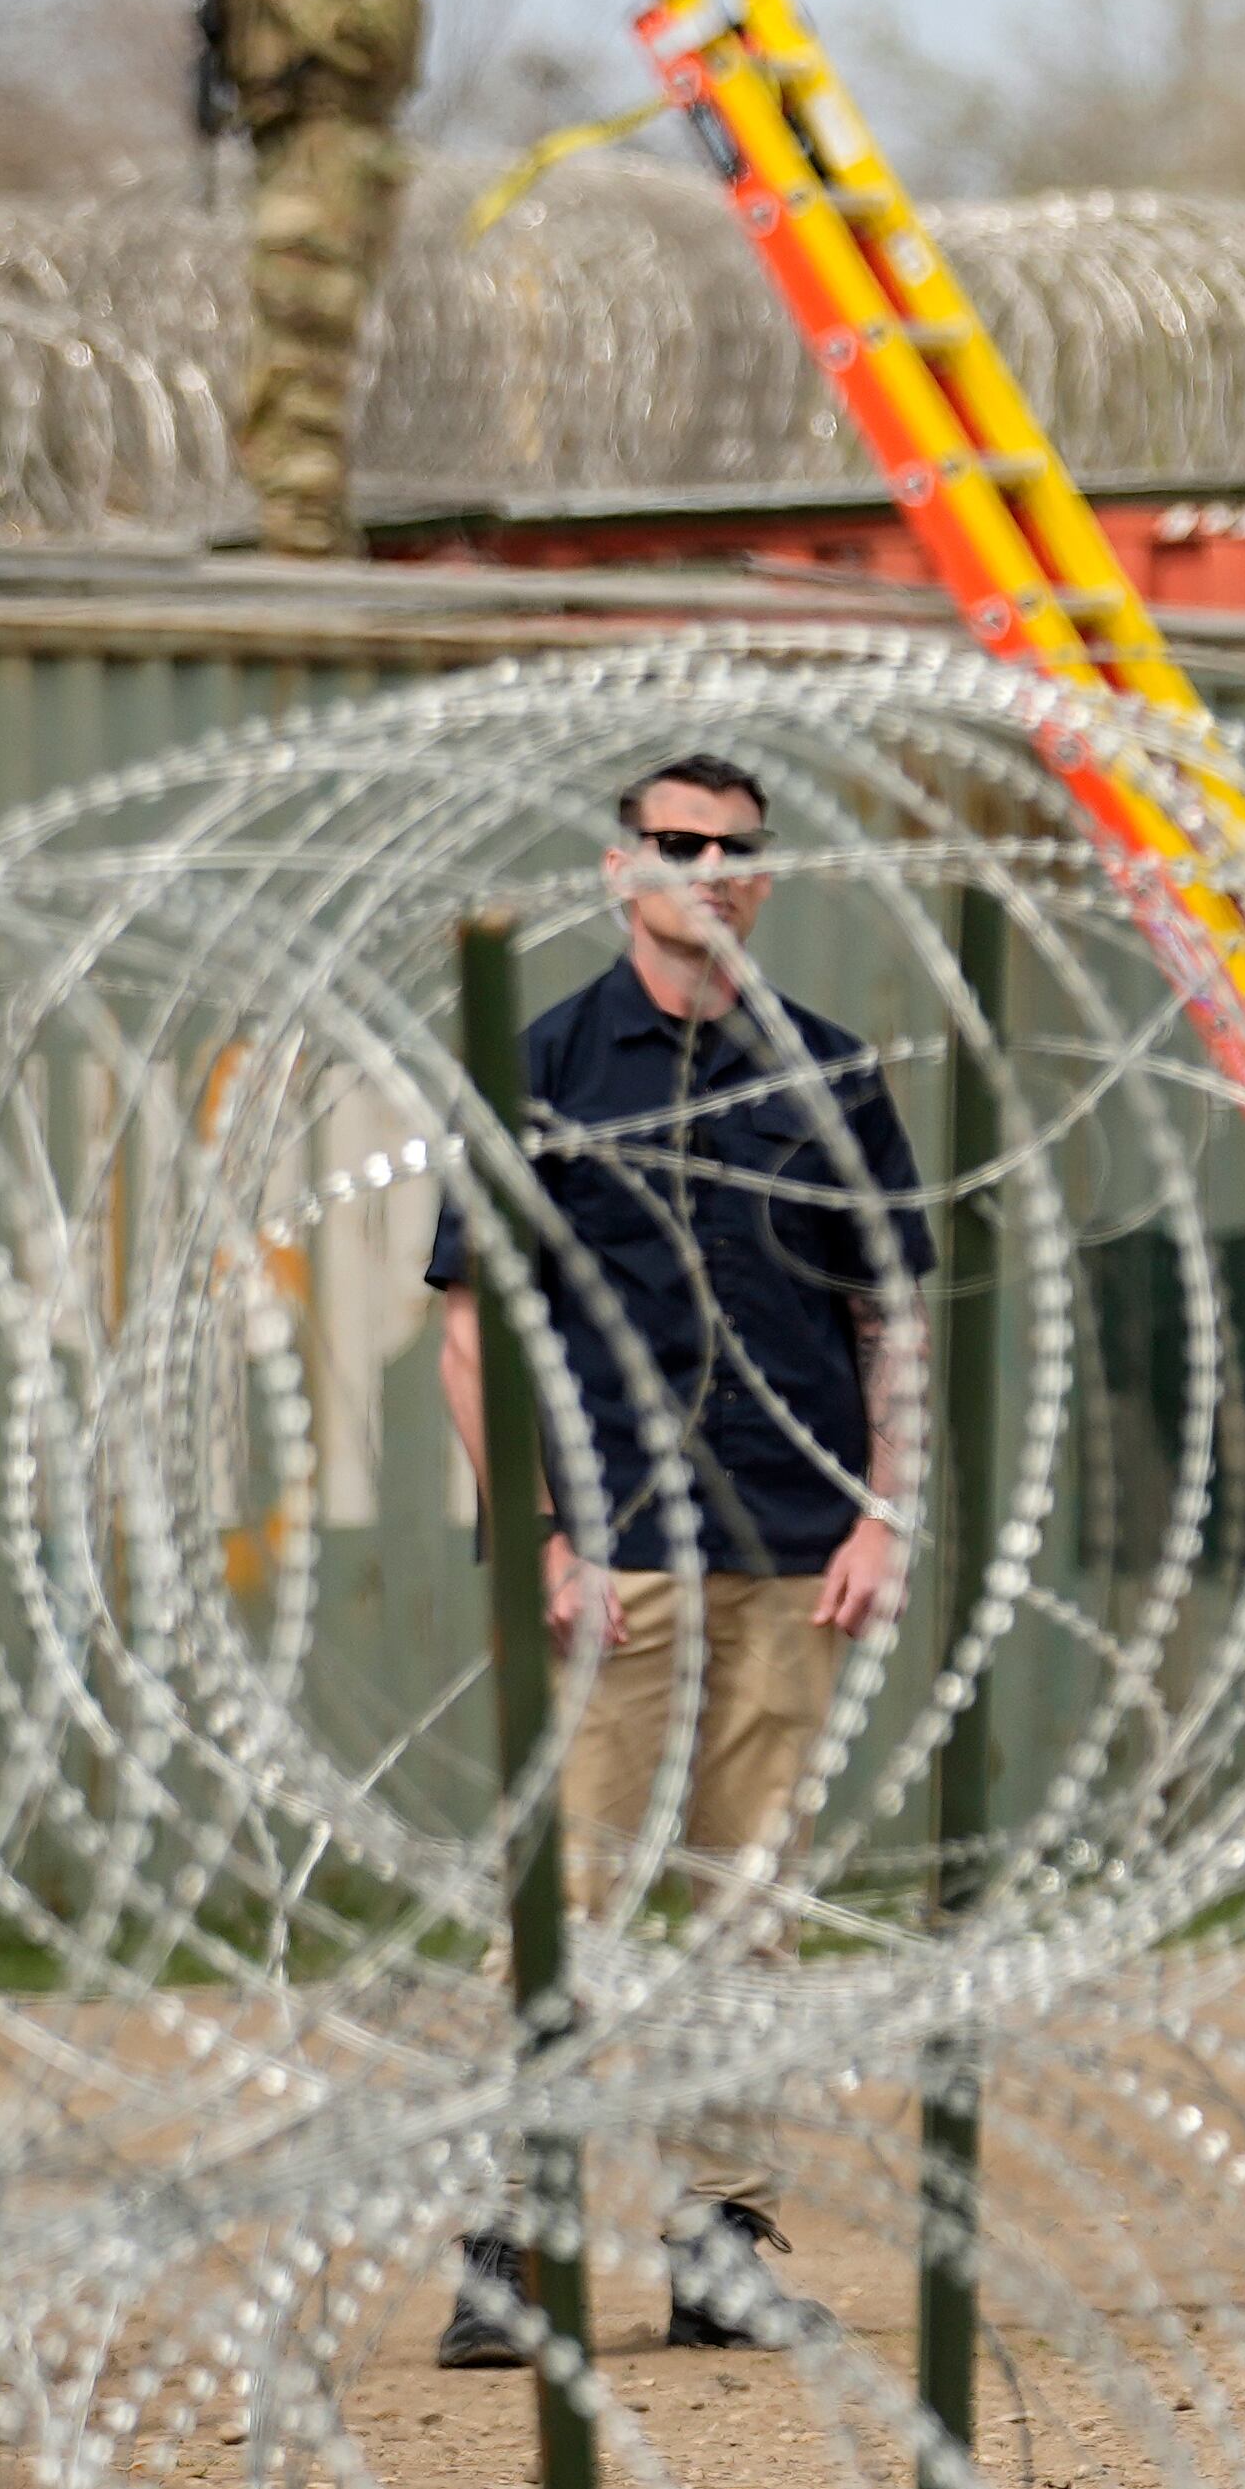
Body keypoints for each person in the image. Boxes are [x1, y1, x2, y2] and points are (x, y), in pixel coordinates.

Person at [427, 753, 927, 2361]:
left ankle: (720, 2242)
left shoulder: (831, 1075)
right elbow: (472, 1326)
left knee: (745, 1911)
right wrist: (539, 1535)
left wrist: (883, 1510)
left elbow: (888, 1317)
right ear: (617, 864)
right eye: (676, 843)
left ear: (764, 875)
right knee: (564, 1902)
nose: (706, 869)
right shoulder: (543, 1068)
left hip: (788, 1547)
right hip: (612, 1553)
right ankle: (511, 2238)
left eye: (734, 848)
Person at [213, 0, 420, 562]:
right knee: (278, 367)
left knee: (302, 370)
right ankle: (305, 538)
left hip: (333, 153)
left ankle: (302, 547)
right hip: (286, 151)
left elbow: (386, 45)